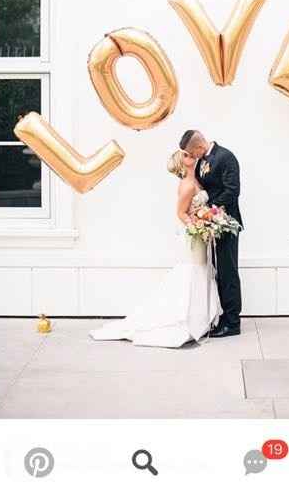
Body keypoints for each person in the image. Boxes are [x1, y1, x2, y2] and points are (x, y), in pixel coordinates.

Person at [89, 149, 221, 347]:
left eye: (190, 154)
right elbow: (181, 213)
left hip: (201, 231)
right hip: (194, 234)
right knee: (193, 269)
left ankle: (201, 318)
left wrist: (209, 219)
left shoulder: (197, 181)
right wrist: (198, 227)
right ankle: (182, 317)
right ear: (181, 162)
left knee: (201, 269)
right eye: (185, 155)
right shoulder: (186, 185)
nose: (191, 156)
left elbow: (198, 208)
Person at [179, 130, 242, 338]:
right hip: (211, 225)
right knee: (218, 272)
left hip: (227, 224)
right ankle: (223, 316)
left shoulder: (226, 157)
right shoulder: (201, 162)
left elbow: (232, 191)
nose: (194, 158)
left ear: (198, 147)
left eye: (193, 153)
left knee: (228, 272)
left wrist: (210, 209)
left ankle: (233, 322)